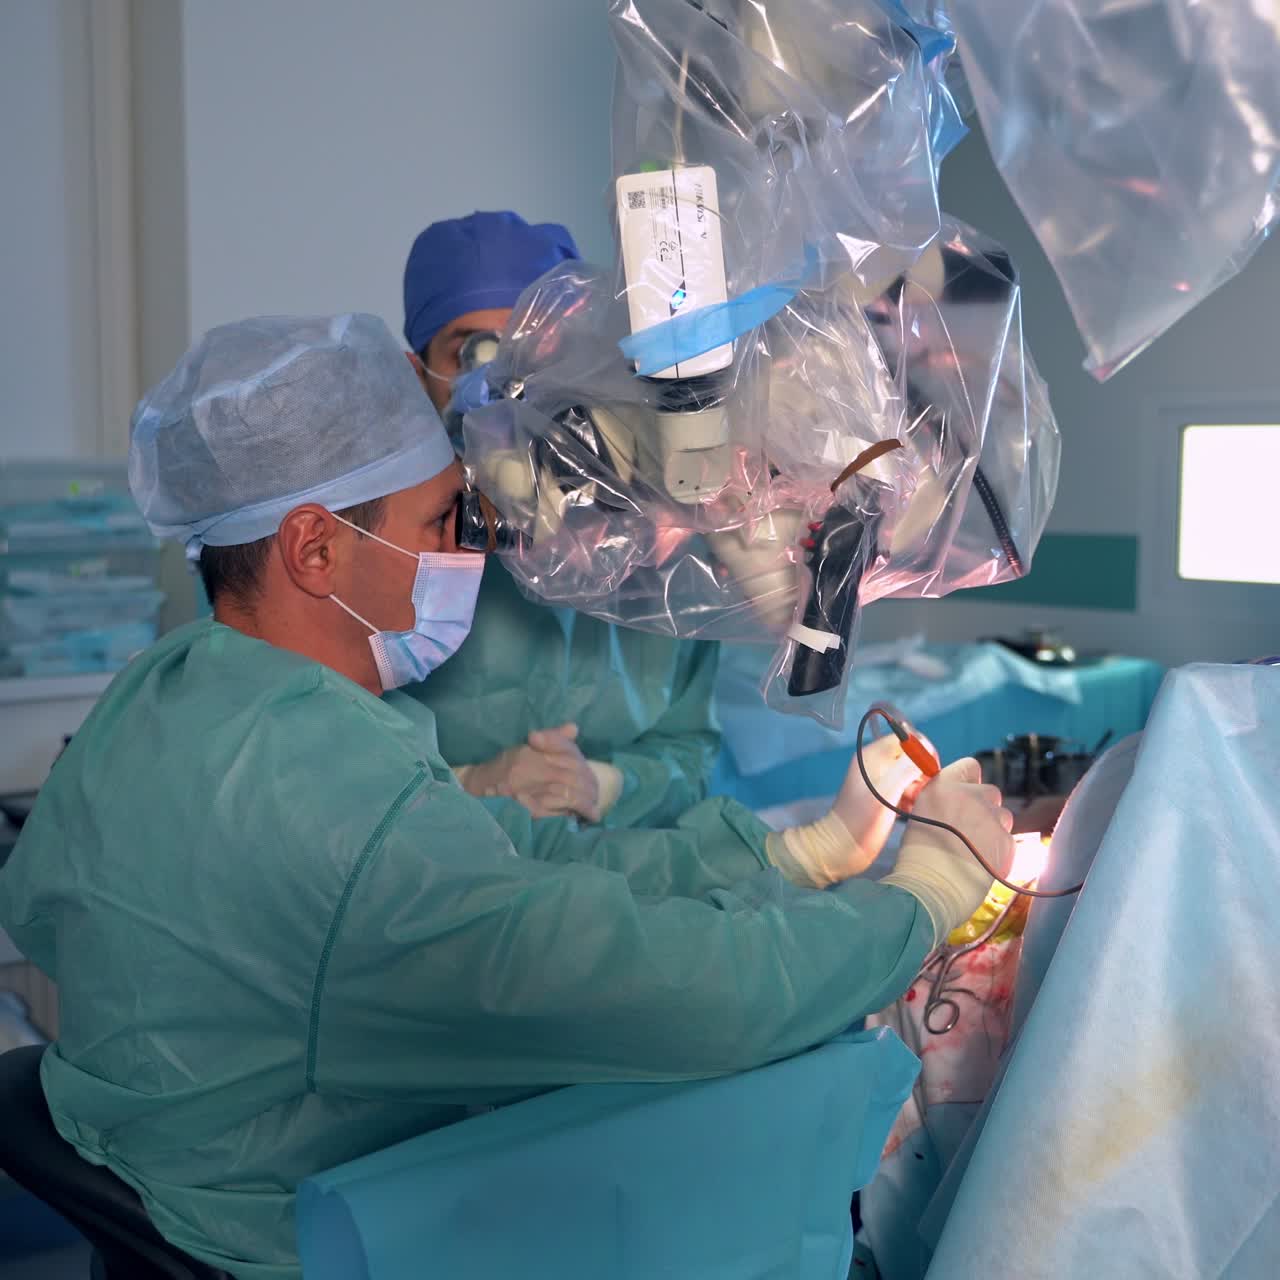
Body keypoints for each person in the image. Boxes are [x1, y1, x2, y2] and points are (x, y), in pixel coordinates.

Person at [0, 314, 1014, 1280]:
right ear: (313, 548)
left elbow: (511, 860)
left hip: (168, 1157)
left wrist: (789, 856)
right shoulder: (326, 806)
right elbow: (674, 993)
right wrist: (913, 901)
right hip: (284, 1222)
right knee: (741, 1101)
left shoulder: (176, 691)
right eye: (441, 518)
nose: (468, 552)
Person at [401, 210, 721, 828]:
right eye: (471, 351)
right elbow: (325, 762)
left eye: (531, 347)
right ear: (421, 377)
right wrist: (470, 784)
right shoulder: (383, 547)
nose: (500, 383)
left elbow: (694, 749)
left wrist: (604, 784)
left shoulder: (659, 541)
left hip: (623, 884)